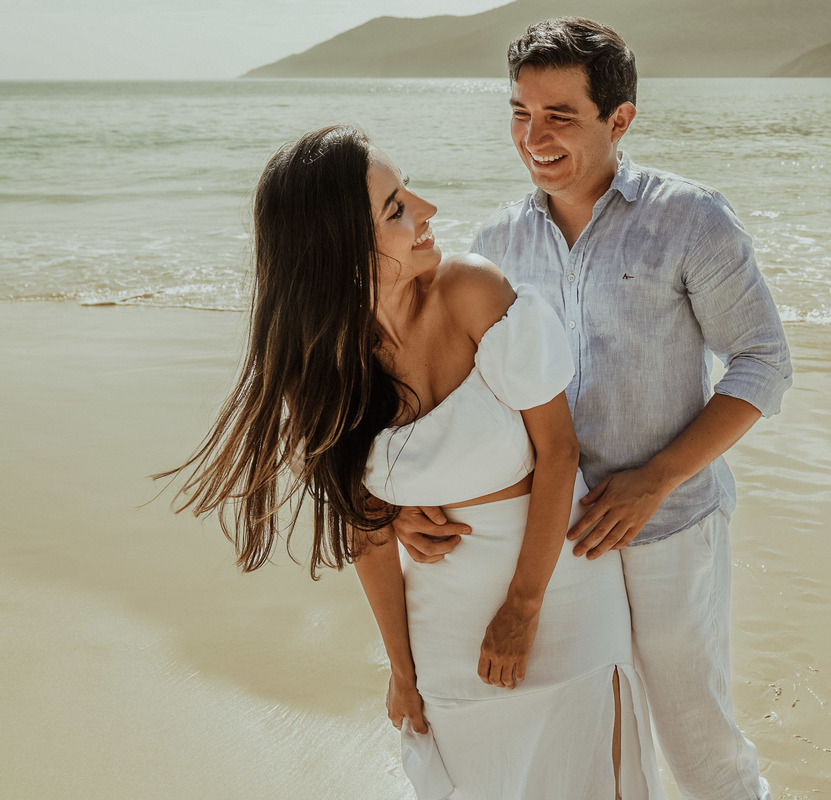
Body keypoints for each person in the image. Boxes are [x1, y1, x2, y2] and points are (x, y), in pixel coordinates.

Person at [160, 125, 664, 799]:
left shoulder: (471, 293)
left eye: (408, 192)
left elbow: (558, 452)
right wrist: (401, 669)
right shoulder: (326, 369)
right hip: (443, 614)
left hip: (561, 587)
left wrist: (523, 607)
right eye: (395, 208)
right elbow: (363, 528)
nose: (426, 210)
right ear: (340, 251)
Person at [390, 17, 791, 800]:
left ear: (620, 119)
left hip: (668, 526)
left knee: (694, 740)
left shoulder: (692, 219)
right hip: (544, 540)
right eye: (519, 112)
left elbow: (763, 365)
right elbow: (462, 390)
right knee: (580, 747)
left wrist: (657, 479)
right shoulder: (497, 241)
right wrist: (411, 501)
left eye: (559, 116)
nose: (532, 136)